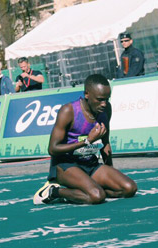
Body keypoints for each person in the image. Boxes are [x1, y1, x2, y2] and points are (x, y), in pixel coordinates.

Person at [33, 74, 137, 205]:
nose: (104, 104)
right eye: (100, 99)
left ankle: (88, 189)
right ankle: (54, 192)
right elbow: (53, 149)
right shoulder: (68, 111)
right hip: (66, 166)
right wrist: (86, 141)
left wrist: (110, 170)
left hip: (90, 164)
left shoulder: (106, 109)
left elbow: (105, 142)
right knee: (97, 196)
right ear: (87, 94)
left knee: (129, 188)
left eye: (107, 99)